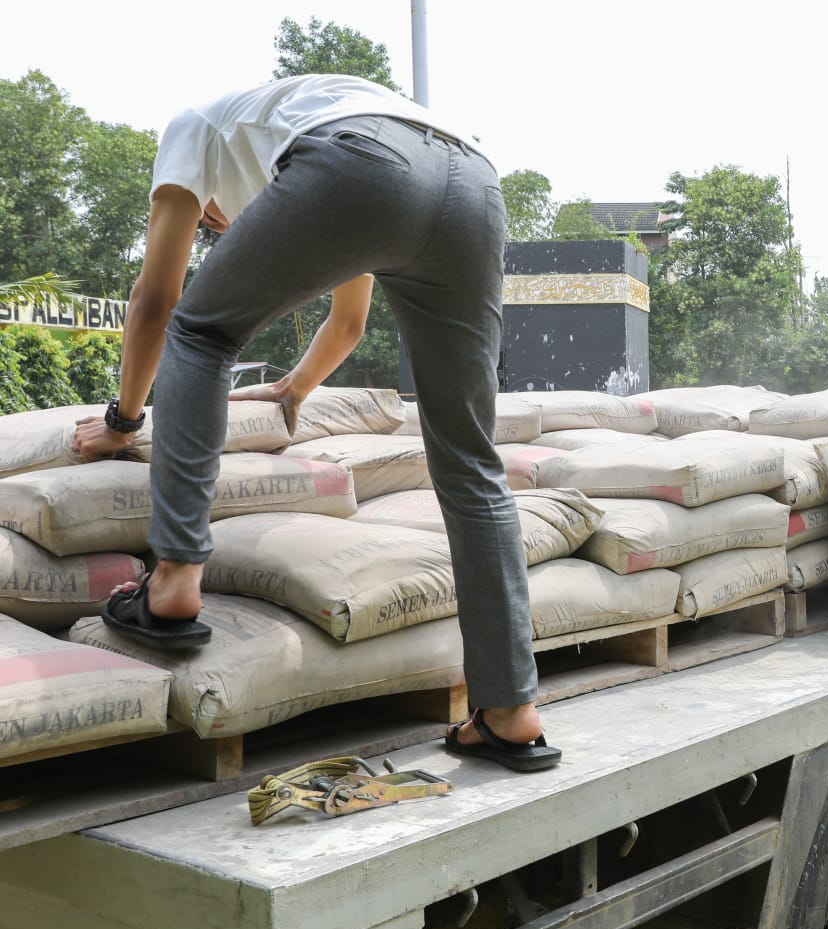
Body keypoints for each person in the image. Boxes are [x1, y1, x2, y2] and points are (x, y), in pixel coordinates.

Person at [70, 73, 559, 772]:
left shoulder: (194, 126)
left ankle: (173, 579)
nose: (216, 227)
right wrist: (295, 386)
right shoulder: (305, 123)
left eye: (208, 221)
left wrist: (123, 421)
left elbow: (156, 300)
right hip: (473, 183)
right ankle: (510, 710)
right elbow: (349, 320)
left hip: (362, 159)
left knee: (201, 332)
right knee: (470, 459)